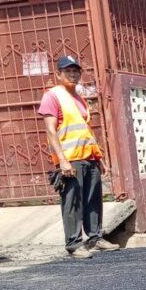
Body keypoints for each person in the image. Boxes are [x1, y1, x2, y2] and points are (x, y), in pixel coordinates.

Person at [39, 55, 117, 258]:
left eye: (75, 71)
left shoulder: (78, 98)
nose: (72, 74)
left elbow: (85, 130)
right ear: (58, 74)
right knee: (73, 201)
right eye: (68, 71)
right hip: (70, 158)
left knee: (93, 199)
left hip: (88, 156)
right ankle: (74, 244)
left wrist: (98, 157)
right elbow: (50, 130)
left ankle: (94, 237)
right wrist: (62, 160)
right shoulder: (53, 96)